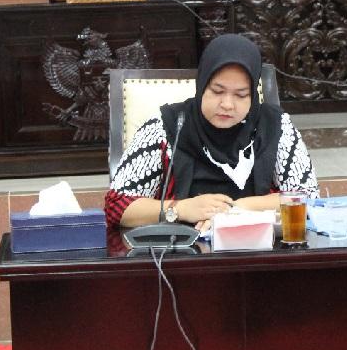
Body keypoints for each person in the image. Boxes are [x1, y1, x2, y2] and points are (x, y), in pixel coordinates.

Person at [105, 34, 318, 231]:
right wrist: (180, 209)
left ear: (253, 94)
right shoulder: (166, 127)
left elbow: (308, 198)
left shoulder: (275, 126)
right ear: (202, 85)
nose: (227, 104)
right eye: (217, 91)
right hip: (181, 251)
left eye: (241, 95)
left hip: (260, 249)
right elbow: (117, 207)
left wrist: (234, 210)